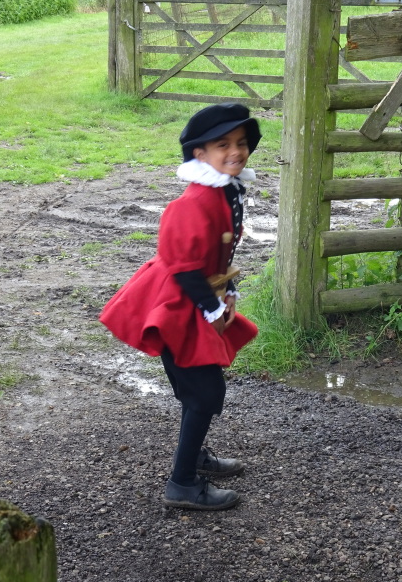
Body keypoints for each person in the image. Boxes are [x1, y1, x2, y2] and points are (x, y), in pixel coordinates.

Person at [99, 104, 262, 511]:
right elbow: (185, 268)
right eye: (222, 144)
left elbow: (218, 255)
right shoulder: (192, 203)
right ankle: (182, 484)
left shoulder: (225, 190)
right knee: (204, 392)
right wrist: (211, 308)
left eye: (241, 142)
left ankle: (194, 457)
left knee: (195, 389)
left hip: (196, 295)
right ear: (199, 154)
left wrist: (228, 291)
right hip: (176, 303)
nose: (236, 151)